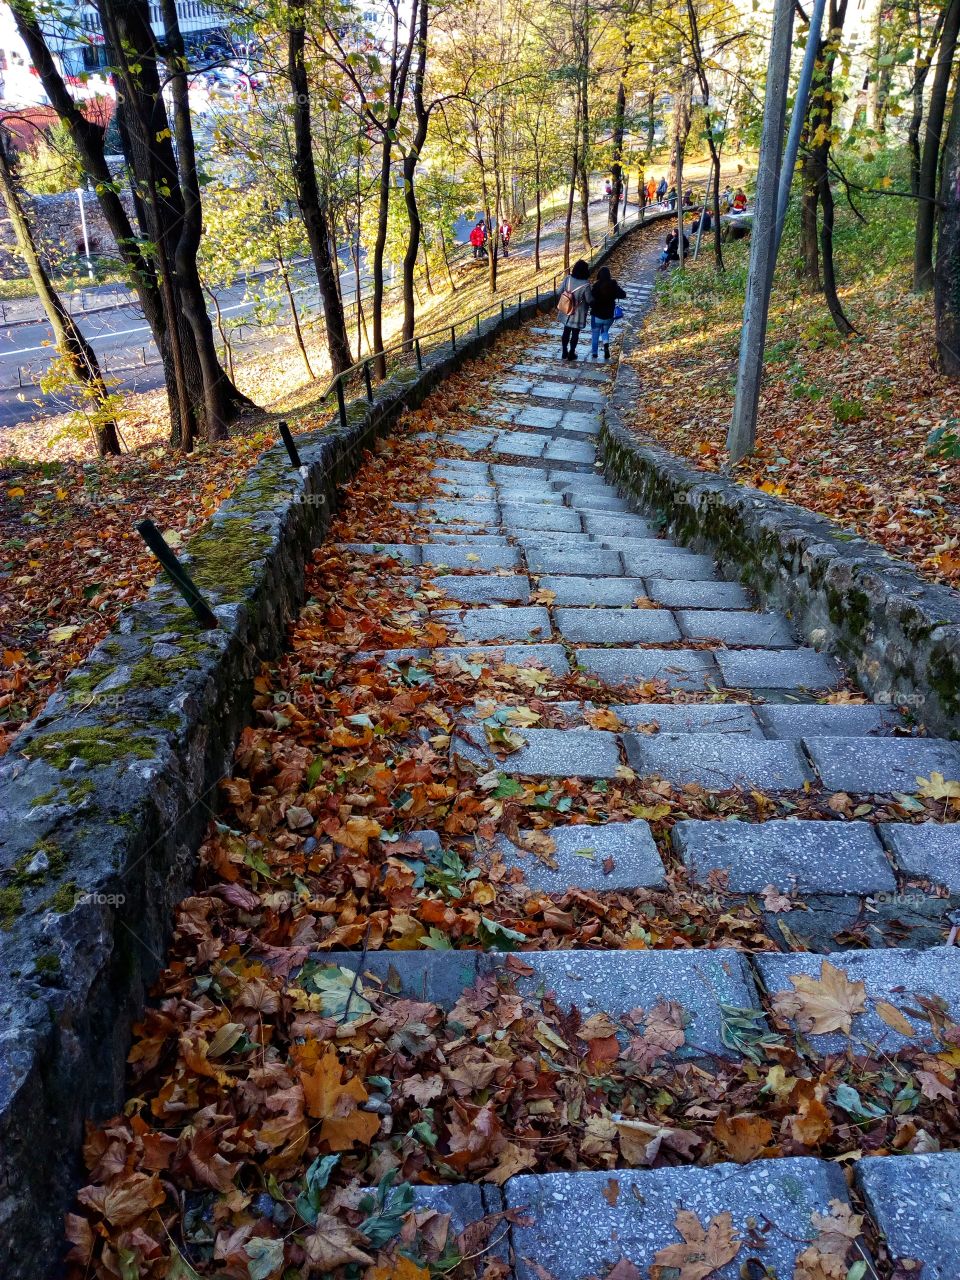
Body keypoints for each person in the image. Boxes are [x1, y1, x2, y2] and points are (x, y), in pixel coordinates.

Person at [589, 265, 627, 361]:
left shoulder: (596, 286)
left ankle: (594, 353)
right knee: (605, 331)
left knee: (595, 333)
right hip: (609, 316)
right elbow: (623, 295)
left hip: (597, 314)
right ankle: (606, 345)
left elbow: (590, 298)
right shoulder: (613, 285)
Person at [557, 258, 591, 360]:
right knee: (575, 333)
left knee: (566, 331)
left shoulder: (568, 279)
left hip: (566, 310)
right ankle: (572, 353)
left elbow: (559, 291)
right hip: (578, 313)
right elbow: (589, 300)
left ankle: (564, 351)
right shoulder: (586, 285)